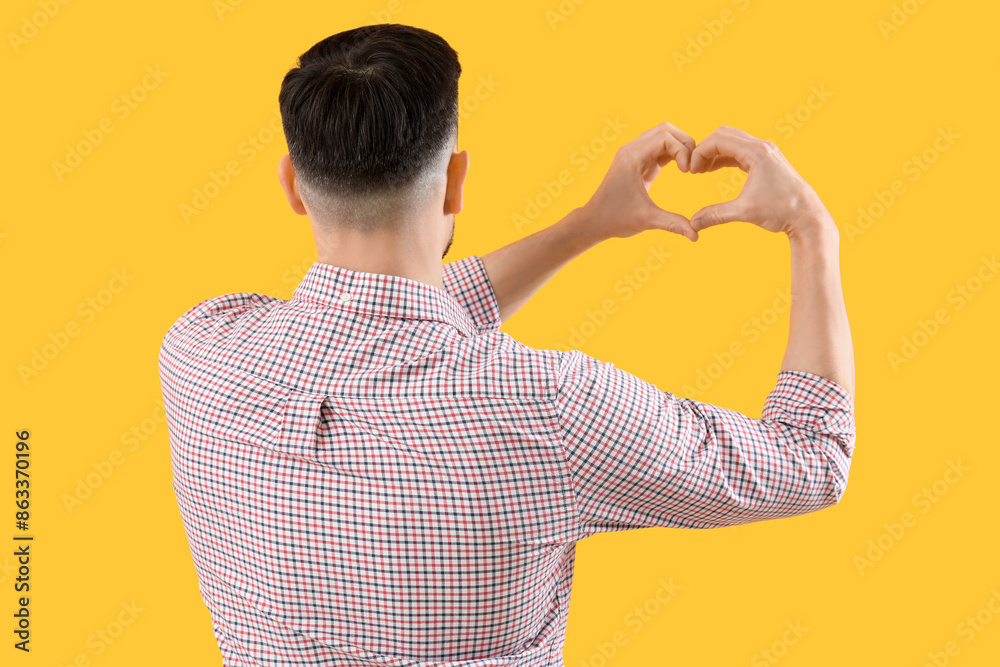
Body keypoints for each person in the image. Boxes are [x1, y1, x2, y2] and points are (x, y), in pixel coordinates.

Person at [158, 23, 856, 667]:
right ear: (456, 180)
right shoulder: (550, 407)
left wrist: (587, 224)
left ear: (292, 185)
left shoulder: (197, 351)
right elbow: (813, 457)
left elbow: (386, 325)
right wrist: (810, 227)